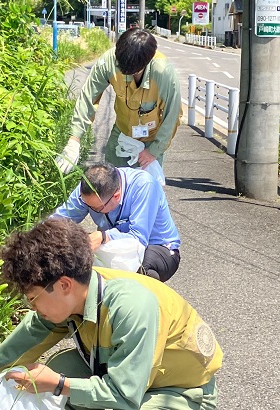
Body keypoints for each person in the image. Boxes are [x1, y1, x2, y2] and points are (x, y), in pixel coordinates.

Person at [0, 218, 223, 410]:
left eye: (32, 298)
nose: (32, 308)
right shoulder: (73, 296)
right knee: (59, 368)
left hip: (182, 393)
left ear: (64, 285)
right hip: (130, 376)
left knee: (58, 382)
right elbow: (11, 353)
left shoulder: (131, 306)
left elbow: (126, 396)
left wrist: (58, 384)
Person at [56, 28, 182, 174]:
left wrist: (154, 151)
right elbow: (88, 96)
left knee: (145, 189)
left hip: (151, 139)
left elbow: (172, 116)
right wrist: (74, 139)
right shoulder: (109, 61)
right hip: (121, 133)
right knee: (113, 184)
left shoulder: (164, 73)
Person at [53, 162, 180, 282]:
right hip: (113, 245)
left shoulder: (144, 185)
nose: (90, 209)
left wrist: (103, 236)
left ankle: (150, 301)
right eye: (86, 205)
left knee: (138, 272)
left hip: (157, 247)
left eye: (96, 208)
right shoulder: (87, 187)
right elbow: (60, 220)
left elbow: (138, 238)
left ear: (116, 195)